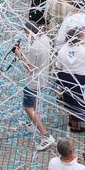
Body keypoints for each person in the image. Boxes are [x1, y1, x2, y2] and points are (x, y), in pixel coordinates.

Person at [16, 20, 56, 150]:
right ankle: (32, 124)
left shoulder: (34, 48)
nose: (25, 36)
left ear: (29, 32)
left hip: (33, 81)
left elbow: (30, 67)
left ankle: (46, 136)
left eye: (26, 33)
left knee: (28, 107)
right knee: (33, 101)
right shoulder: (45, 38)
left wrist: (19, 55)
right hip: (43, 77)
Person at [55, 28, 85, 133]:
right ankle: (75, 126)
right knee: (80, 102)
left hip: (67, 79)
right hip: (82, 79)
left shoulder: (62, 50)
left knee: (70, 100)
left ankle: (72, 121)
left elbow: (58, 66)